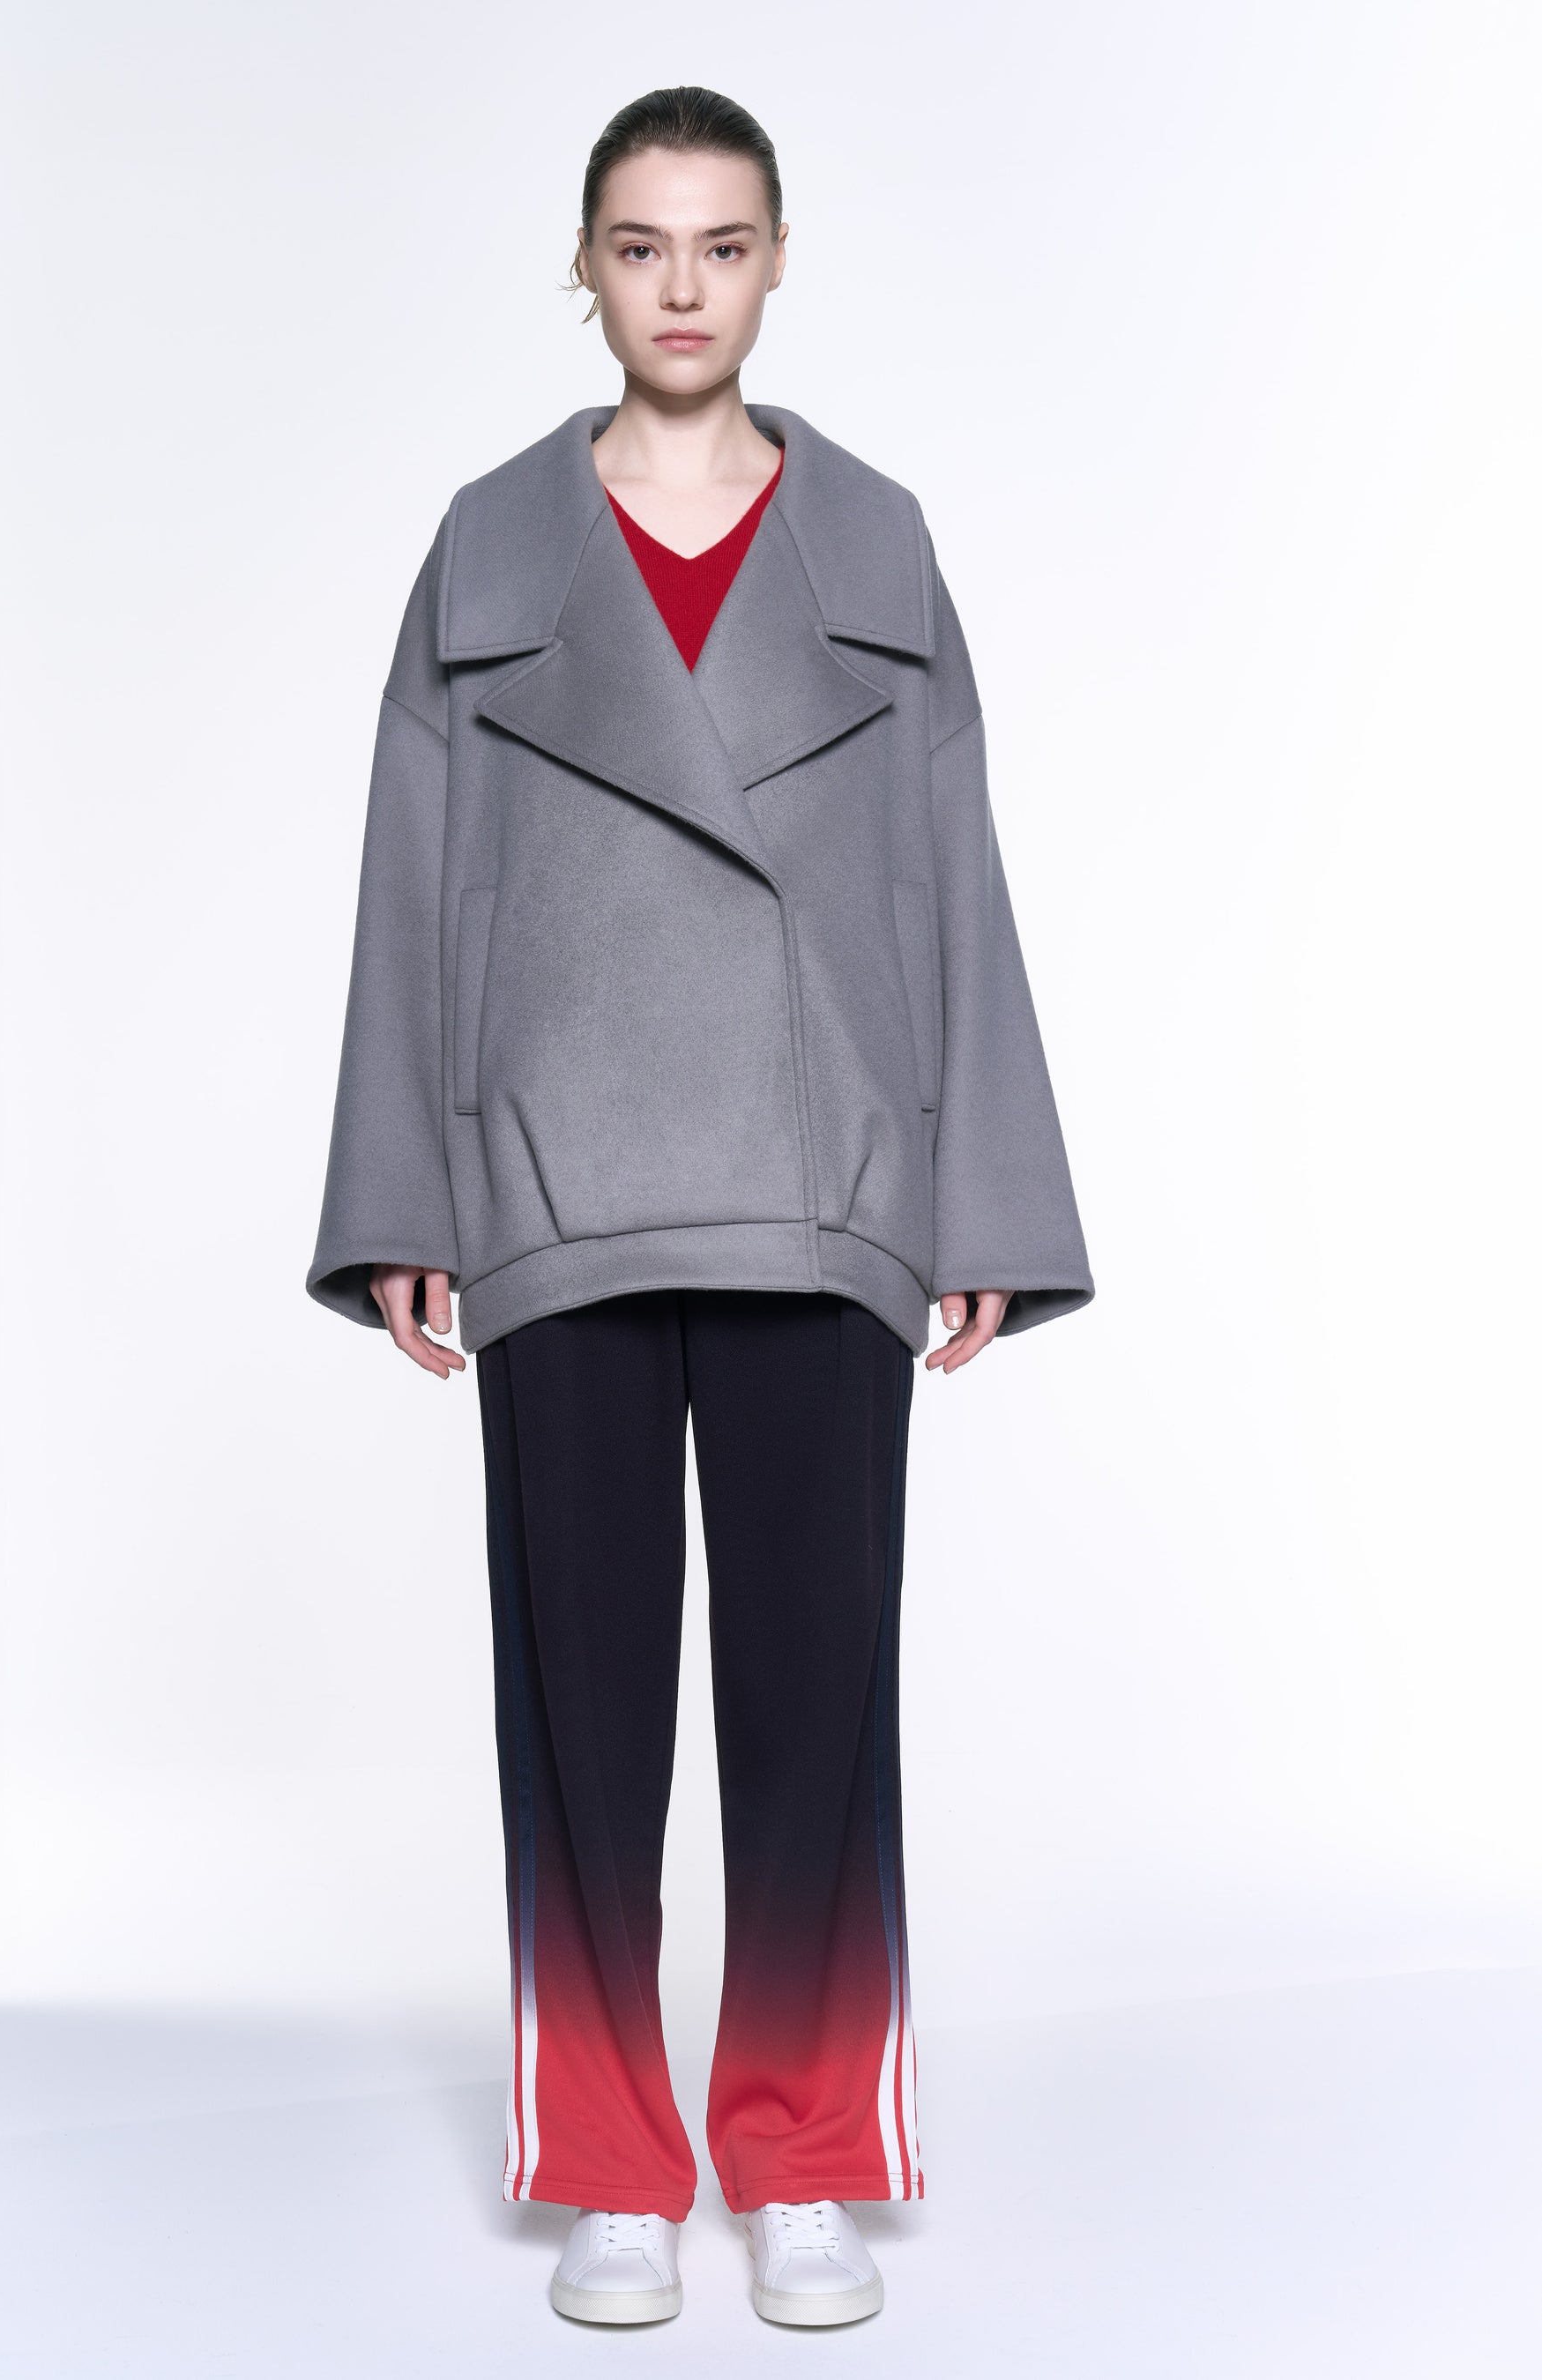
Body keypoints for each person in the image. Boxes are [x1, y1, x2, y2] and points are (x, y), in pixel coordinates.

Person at [307, 86, 1092, 2329]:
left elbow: (950, 874)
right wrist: (407, 1186)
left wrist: (977, 1199)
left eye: (719, 244)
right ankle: (611, 2166)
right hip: (553, 1173)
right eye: (639, 245)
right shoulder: (485, 551)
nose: (679, 286)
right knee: (581, 1698)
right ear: (581, 267)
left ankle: (805, 2149)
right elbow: (408, 885)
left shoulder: (874, 545)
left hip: (821, 1179)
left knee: (812, 1695)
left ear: (773, 264)